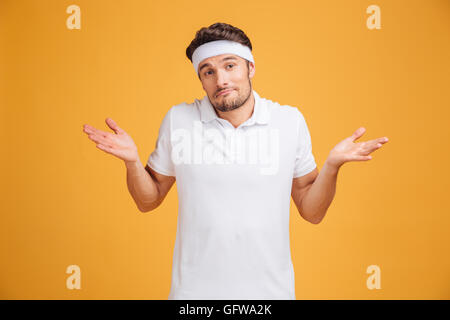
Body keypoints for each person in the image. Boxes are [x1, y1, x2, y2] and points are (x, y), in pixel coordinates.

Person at [82, 22, 389, 300]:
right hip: (194, 298)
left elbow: (312, 211)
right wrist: (133, 162)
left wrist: (333, 166)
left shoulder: (288, 121)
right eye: (208, 71)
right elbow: (148, 200)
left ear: (250, 68)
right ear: (201, 79)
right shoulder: (179, 120)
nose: (221, 80)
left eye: (230, 66)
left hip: (271, 295)